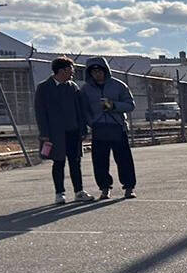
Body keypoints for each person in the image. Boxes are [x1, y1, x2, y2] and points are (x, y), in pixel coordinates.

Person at [34, 57, 93, 204]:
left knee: (75, 162)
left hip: (73, 131)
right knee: (58, 162)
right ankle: (59, 193)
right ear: (62, 70)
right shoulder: (44, 87)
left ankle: (79, 191)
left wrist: (83, 128)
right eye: (70, 69)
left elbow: (80, 110)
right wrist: (44, 133)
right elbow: (40, 112)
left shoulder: (73, 87)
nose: (72, 72)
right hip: (54, 133)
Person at [81, 57, 137, 199]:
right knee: (100, 161)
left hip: (117, 126)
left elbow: (130, 105)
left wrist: (114, 106)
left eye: (100, 70)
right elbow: (84, 109)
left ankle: (129, 187)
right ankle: (104, 188)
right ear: (89, 73)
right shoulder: (86, 89)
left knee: (124, 159)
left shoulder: (119, 85)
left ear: (105, 70)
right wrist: (91, 122)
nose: (97, 74)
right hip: (99, 128)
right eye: (93, 71)